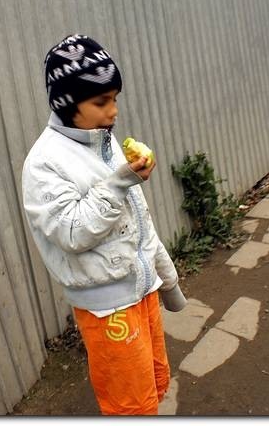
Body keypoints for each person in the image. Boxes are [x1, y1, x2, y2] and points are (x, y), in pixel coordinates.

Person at [21, 34, 187, 415]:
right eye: (101, 102)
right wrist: (118, 182)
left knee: (152, 385)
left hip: (142, 290)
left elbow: (140, 223)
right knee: (130, 406)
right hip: (109, 309)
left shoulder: (105, 144)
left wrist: (169, 282)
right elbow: (72, 232)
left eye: (114, 99)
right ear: (66, 102)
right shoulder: (44, 163)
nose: (113, 111)